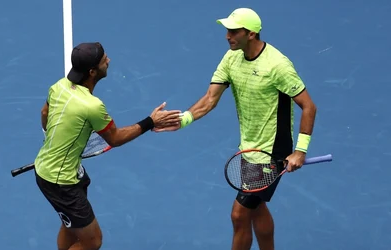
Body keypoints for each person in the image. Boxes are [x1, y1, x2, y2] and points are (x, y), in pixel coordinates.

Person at [154, 8, 317, 250]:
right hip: (248, 148)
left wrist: (300, 151)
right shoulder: (232, 58)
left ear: (251, 34)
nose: (227, 36)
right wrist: (184, 119)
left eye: (233, 31)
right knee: (257, 207)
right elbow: (210, 98)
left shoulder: (278, 66)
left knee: (239, 214)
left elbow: (309, 107)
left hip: (271, 152)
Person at [34, 42, 181, 250]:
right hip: (62, 183)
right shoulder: (92, 106)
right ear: (93, 71)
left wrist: (56, 141)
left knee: (70, 225)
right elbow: (115, 138)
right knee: (92, 241)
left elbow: (44, 114)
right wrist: (151, 121)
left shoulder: (58, 86)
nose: (109, 61)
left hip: (51, 169)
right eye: (104, 60)